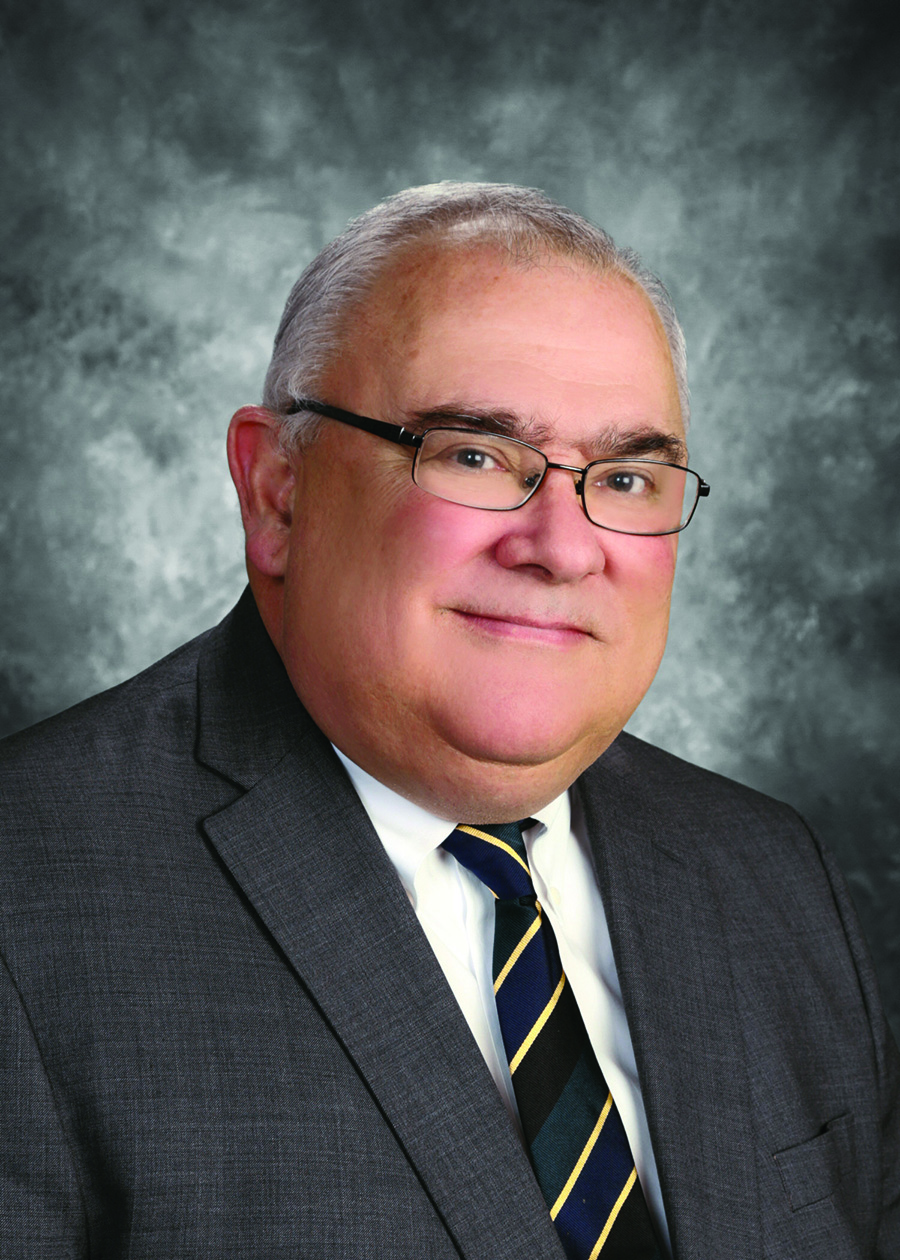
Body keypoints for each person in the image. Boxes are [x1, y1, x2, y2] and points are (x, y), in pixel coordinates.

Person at [0, 182, 896, 1260]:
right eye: (474, 454)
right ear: (278, 491)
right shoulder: (30, 898)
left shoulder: (768, 874)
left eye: (625, 478)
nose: (561, 548)